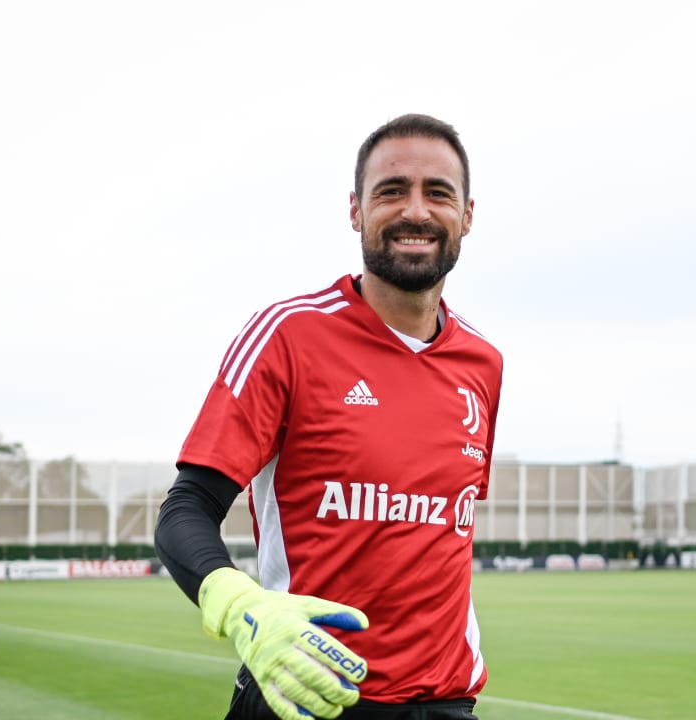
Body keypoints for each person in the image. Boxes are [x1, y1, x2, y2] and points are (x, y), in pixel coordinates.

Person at [154, 113, 502, 720]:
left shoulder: (484, 364)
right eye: (391, 190)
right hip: (307, 698)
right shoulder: (289, 335)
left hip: (447, 705)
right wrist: (240, 606)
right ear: (356, 210)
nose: (416, 211)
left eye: (438, 192)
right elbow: (186, 510)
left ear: (467, 215)